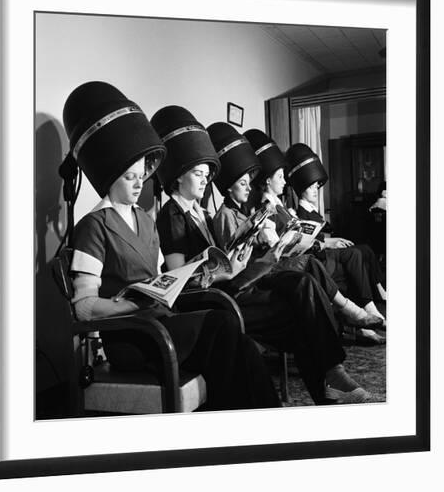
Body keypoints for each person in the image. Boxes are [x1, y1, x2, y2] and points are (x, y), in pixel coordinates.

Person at [63, 81, 280, 411]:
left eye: (141, 176)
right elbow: (84, 308)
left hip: (163, 321)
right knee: (222, 328)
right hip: (133, 336)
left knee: (244, 347)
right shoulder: (93, 226)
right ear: (109, 175)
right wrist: (134, 307)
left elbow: (163, 277)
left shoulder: (147, 222)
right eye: (128, 177)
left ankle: (261, 430)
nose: (139, 184)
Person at [152, 110, 372, 405]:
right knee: (300, 309)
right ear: (178, 176)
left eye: (207, 175)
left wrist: (240, 253)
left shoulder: (201, 214)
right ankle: (330, 385)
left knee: (302, 287)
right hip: (216, 298)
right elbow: (179, 277)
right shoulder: (171, 215)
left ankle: (332, 381)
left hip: (232, 285)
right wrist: (222, 270)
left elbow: (221, 257)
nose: (205, 181)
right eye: (198, 174)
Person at [244, 130, 384, 335]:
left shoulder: (279, 206)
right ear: (267, 181)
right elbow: (276, 246)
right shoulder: (266, 208)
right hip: (286, 262)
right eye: (281, 177)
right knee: (330, 260)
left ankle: (360, 315)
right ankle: (354, 315)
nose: (285, 181)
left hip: (301, 255)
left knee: (353, 253)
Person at [285, 143, 387, 342]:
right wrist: (330, 241)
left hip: (322, 250)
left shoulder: (313, 211)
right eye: (312, 187)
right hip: (316, 256)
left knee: (363, 249)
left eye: (317, 187)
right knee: (355, 254)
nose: (316, 190)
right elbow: (310, 238)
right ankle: (368, 309)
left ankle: (376, 297)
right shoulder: (299, 213)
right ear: (302, 188)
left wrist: (333, 239)